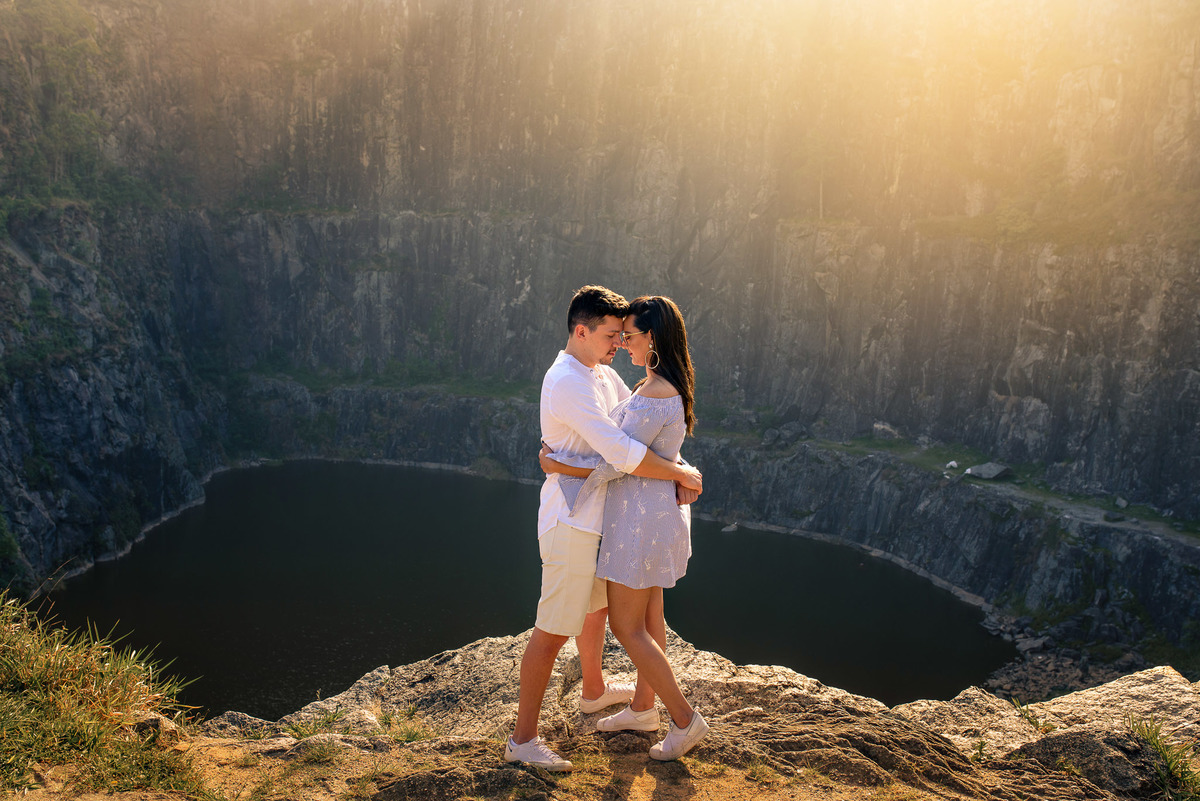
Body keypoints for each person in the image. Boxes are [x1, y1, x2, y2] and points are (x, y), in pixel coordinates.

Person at [504, 286, 704, 772]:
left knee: (598, 613)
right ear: (582, 331)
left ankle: (596, 693)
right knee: (552, 631)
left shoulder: (604, 375)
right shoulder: (568, 380)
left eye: (624, 334)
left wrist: (677, 468)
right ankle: (523, 741)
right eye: (612, 334)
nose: (618, 342)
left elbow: (636, 440)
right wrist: (678, 473)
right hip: (572, 521)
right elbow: (621, 453)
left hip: (605, 519)